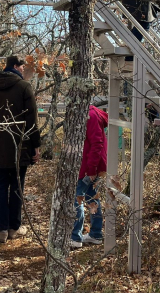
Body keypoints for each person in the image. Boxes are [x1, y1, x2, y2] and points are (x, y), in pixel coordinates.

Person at [0, 56, 41, 243]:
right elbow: (32, 120)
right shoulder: (24, 87)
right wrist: (35, 145)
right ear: (15, 66)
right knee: (17, 186)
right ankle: (14, 228)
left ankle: (1, 230)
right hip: (19, 146)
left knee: (0, 186)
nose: (23, 70)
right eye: (22, 67)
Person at [70, 105, 109, 249]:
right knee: (92, 197)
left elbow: (97, 143)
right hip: (92, 166)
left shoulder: (90, 116)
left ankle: (75, 237)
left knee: (77, 198)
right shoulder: (90, 113)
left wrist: (91, 169)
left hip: (90, 167)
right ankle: (96, 234)